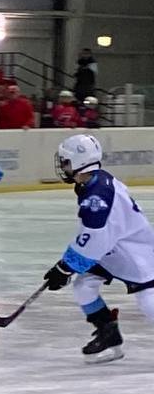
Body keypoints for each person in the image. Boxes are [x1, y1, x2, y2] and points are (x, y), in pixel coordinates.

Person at [41, 134, 154, 363]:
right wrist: (67, 266)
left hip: (136, 253)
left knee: (149, 303)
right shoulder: (93, 181)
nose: (63, 167)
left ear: (78, 161)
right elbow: (94, 237)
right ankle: (109, 335)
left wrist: (65, 268)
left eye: (65, 161)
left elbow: (94, 239)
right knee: (84, 286)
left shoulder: (97, 196)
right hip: (113, 249)